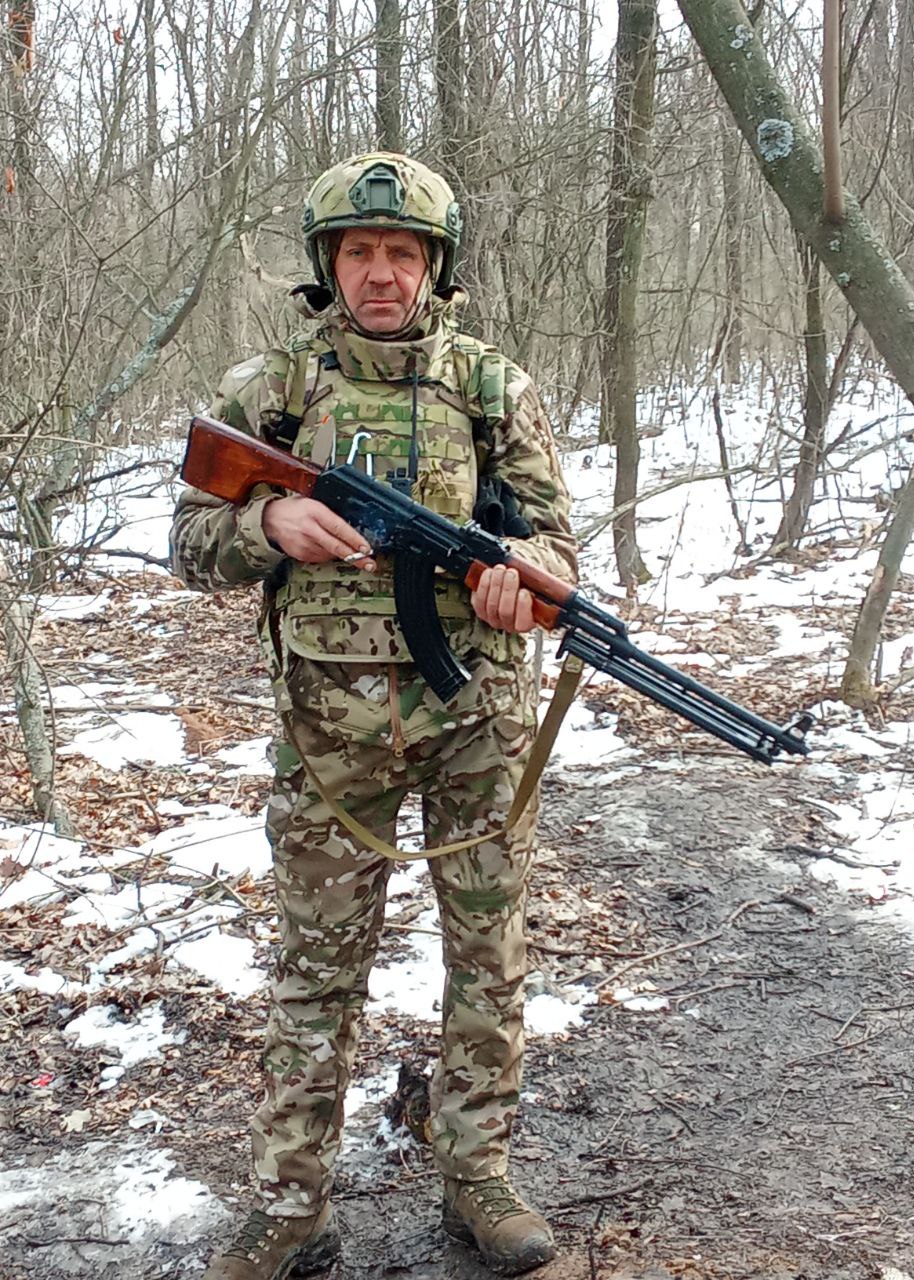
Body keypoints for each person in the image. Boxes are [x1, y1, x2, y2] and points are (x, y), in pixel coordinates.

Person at [171, 151, 578, 1280]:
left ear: (435, 266)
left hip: (476, 722)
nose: (383, 272)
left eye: (403, 252)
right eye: (361, 251)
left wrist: (523, 580)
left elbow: (558, 547)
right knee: (315, 967)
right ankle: (291, 1202)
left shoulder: (492, 388)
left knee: (488, 956)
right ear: (329, 263)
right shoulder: (272, 391)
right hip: (326, 736)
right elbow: (188, 541)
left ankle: (479, 1177)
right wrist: (265, 528)